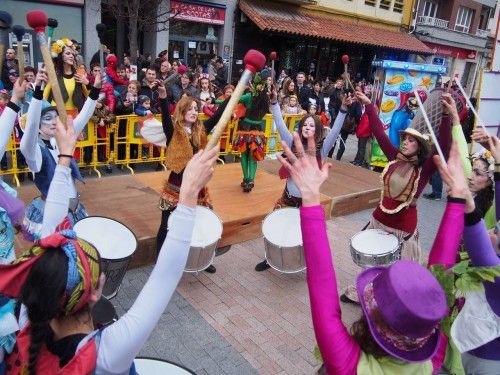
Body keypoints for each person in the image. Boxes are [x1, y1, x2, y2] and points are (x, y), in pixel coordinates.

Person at [0, 115, 219, 374]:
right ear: (97, 290)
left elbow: (50, 232)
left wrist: (64, 157)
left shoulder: (25, 318)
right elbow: (166, 276)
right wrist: (191, 190)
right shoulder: (105, 357)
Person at [280, 132, 467, 374]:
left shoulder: (349, 364)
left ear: (372, 319)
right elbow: (442, 283)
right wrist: (458, 200)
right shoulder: (430, 363)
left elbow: (320, 281)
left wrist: (310, 196)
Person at [340, 90, 453, 304]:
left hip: (403, 227)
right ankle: (362, 293)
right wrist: (369, 106)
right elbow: (379, 134)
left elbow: (443, 146)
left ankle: (392, 301)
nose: (405, 142)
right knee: (372, 263)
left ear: (419, 147)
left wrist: (446, 117)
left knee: (399, 269)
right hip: (379, 218)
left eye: (411, 141)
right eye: (405, 139)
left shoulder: (425, 168)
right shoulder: (394, 157)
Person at [140, 80, 230, 273]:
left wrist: (229, 99)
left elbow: (218, 118)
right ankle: (160, 261)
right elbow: (165, 117)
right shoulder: (173, 130)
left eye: (196, 108)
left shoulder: (201, 129)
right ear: (182, 111)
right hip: (175, 186)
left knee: (200, 222)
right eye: (190, 108)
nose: (193, 111)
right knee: (166, 225)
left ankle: (202, 259)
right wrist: (163, 97)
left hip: (197, 186)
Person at [254, 89, 349, 271]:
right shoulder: (291, 141)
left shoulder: (322, 149)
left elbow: (336, 130)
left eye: (312, 125)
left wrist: (343, 110)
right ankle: (270, 258)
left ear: (318, 130)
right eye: (305, 124)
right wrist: (274, 104)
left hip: (309, 202)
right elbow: (280, 124)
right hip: (288, 197)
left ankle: (312, 262)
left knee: (310, 235)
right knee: (277, 228)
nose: (307, 127)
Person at [20, 68, 101, 241]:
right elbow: (32, 126)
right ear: (37, 126)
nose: (53, 122)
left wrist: (95, 90)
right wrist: (38, 93)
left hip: (74, 208)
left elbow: (83, 118)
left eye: (55, 118)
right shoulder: (34, 153)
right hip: (52, 213)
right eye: (47, 118)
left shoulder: (60, 142)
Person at [231, 71, 271, 192]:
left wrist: (214, 101)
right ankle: (249, 179)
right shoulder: (265, 98)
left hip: (246, 128)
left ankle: (247, 179)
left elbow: (232, 99)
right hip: (254, 129)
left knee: (246, 154)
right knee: (251, 154)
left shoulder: (251, 96)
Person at [44, 38, 89, 116]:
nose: (72, 56)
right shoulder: (54, 76)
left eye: (72, 54)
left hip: (74, 116)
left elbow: (90, 96)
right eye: (68, 53)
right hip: (57, 115)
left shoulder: (78, 76)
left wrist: (87, 83)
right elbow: (44, 97)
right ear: (60, 56)